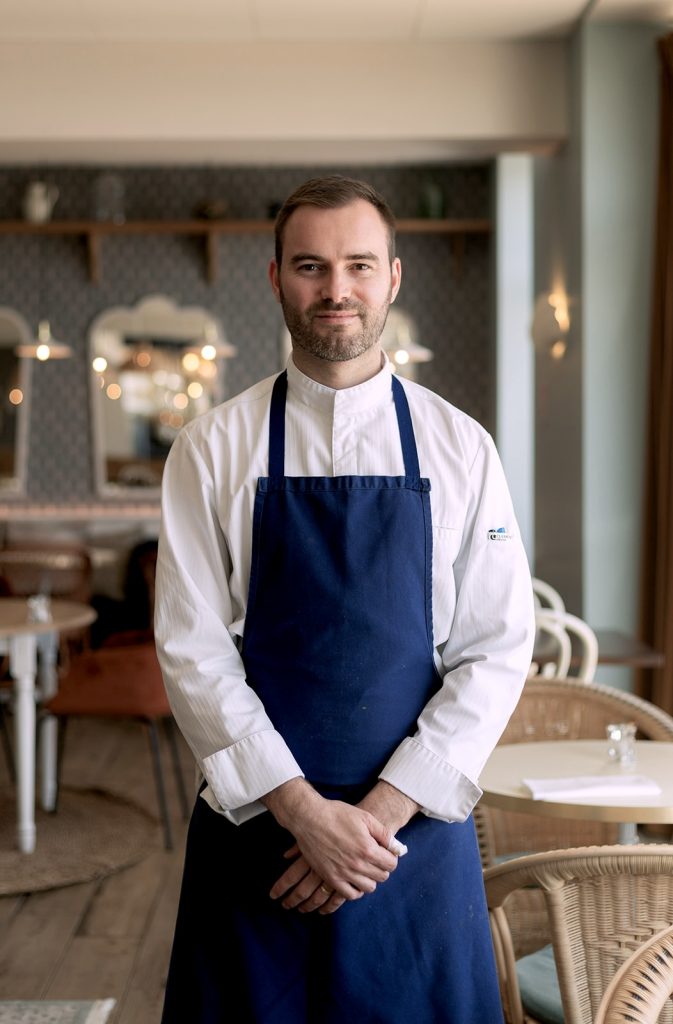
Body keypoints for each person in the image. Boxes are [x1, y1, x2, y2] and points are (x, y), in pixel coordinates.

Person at [155, 175, 535, 1023]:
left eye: (358, 265)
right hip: (259, 832)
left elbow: (497, 648)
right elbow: (192, 650)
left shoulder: (461, 447)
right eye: (311, 266)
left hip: (410, 837)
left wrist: (373, 822)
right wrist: (299, 811)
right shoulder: (212, 448)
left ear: (393, 277)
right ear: (275, 277)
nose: (336, 289)